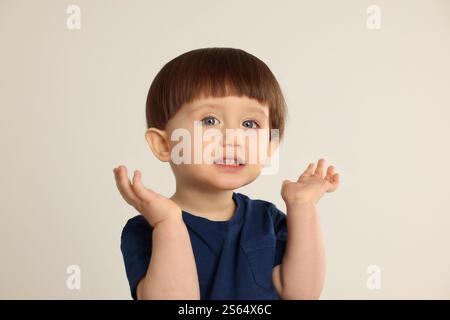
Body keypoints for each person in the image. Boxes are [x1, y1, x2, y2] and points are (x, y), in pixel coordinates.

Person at [113, 47, 340, 300]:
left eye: (249, 124)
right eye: (210, 121)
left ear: (268, 148)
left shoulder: (268, 221)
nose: (233, 138)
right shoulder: (146, 229)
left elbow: (301, 295)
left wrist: (303, 205)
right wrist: (168, 224)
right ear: (164, 144)